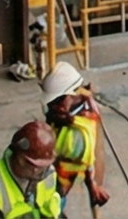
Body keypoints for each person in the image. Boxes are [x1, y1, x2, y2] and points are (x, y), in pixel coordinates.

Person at [40, 61, 110, 212]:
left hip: (56, 184)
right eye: (51, 103)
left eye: (57, 101)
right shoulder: (73, 101)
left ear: (71, 94)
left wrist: (94, 185)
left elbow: (88, 162)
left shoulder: (79, 135)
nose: (53, 106)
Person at [0, 121, 63, 219]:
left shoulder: (49, 173)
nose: (36, 170)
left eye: (42, 165)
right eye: (30, 164)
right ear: (17, 153)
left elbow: (53, 210)